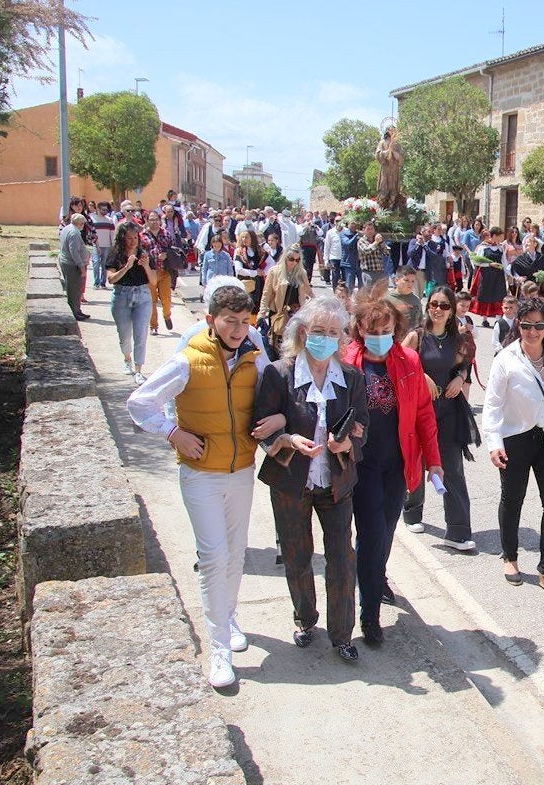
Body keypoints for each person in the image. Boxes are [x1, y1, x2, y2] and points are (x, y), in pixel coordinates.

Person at [127, 284, 277, 689]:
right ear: (210, 320)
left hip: (241, 471)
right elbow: (140, 403)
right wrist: (173, 432)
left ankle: (228, 618)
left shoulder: (254, 358)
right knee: (212, 558)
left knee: (234, 554)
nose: (238, 330)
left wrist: (278, 423)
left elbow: (277, 394)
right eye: (230, 321)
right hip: (200, 476)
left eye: (245, 323)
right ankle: (219, 652)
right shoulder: (187, 360)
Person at [253, 296, 366, 662]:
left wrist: (347, 441)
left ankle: (342, 634)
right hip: (291, 482)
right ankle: (305, 619)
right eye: (319, 331)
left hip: (335, 483)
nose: (326, 338)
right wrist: (286, 437)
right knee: (297, 556)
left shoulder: (351, 378)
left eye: (334, 332)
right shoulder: (278, 373)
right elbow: (259, 428)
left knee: (341, 558)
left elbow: (363, 426)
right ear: (303, 332)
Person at [346, 283, 442, 639]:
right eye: (374, 332)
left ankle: (373, 579)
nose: (381, 337)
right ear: (360, 330)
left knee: (386, 531)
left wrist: (434, 461)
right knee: (371, 533)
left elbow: (423, 414)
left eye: (387, 332)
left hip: (397, 464)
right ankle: (369, 613)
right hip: (361, 464)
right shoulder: (346, 361)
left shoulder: (408, 361)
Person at [483, 297, 544, 600]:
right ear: (518, 325)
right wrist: (494, 443)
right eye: (526, 325)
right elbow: (493, 405)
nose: (533, 331)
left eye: (539, 325)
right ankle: (510, 557)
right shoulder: (505, 359)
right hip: (515, 439)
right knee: (512, 499)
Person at [400, 286, 477, 550]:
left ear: (452, 309)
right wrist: (420, 375)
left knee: (452, 467)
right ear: (427, 306)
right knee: (418, 462)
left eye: (445, 305)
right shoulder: (417, 337)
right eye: (434, 304)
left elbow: (464, 363)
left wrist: (460, 377)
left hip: (448, 411)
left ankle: (458, 531)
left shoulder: (456, 340)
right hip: (419, 411)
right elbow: (397, 362)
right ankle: (411, 512)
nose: (438, 310)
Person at [105, 222, 154, 382]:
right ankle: (127, 359)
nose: (133, 241)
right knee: (124, 334)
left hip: (142, 296)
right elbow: (111, 279)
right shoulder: (115, 254)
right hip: (122, 295)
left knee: (140, 335)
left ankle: (139, 370)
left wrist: (146, 266)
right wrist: (126, 267)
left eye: (135, 238)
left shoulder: (144, 254)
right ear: (122, 238)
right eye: (129, 238)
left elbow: (153, 281)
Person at [260, 244, 314, 353]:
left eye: (297, 260)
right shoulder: (274, 272)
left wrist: (317, 306)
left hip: (296, 312)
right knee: (277, 342)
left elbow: (309, 291)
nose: (294, 262)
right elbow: (267, 293)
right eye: (291, 259)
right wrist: (262, 311)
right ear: (285, 257)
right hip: (278, 312)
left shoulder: (301, 273)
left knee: (295, 342)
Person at [141, 212, 175, 335]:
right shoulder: (142, 235)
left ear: (160, 220)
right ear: (147, 221)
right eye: (151, 219)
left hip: (165, 271)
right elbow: (139, 251)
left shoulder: (166, 234)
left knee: (166, 299)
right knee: (152, 300)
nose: (154, 222)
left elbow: (174, 249)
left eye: (156, 219)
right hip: (150, 272)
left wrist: (167, 254)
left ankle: (167, 316)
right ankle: (153, 326)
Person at [468, 227, 507, 326]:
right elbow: (476, 261)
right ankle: (484, 319)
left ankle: (498, 319)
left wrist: (509, 274)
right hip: (486, 275)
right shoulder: (483, 247)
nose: (501, 239)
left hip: (498, 276)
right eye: (499, 236)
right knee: (486, 295)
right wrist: (489, 264)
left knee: (499, 296)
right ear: (493, 236)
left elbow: (504, 262)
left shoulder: (500, 248)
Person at [58, 214, 91, 320]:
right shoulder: (74, 233)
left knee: (75, 289)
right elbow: (74, 251)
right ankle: (74, 313)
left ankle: (77, 310)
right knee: (74, 290)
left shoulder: (67, 228)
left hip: (68, 262)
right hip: (72, 265)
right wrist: (81, 266)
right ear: (80, 224)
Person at [200, 232, 236, 297]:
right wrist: (204, 281)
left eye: (219, 245)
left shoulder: (226, 255)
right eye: (215, 245)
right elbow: (204, 269)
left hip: (223, 282)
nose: (217, 247)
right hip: (211, 281)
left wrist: (230, 281)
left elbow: (230, 270)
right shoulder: (207, 255)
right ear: (212, 245)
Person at [387, 265, 423, 330]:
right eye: (406, 280)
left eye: (413, 281)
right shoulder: (387, 300)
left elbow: (420, 322)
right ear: (396, 281)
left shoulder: (416, 300)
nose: (410, 284)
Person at [90, 202, 116, 290]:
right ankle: (96, 282)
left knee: (104, 264)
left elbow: (112, 234)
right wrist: (94, 243)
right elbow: (91, 233)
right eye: (103, 209)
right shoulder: (92, 219)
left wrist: (113, 245)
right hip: (95, 245)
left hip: (107, 246)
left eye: (106, 210)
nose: (105, 211)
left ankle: (103, 282)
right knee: (96, 263)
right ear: (98, 209)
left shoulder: (110, 220)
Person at [340, 220, 363, 292]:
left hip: (361, 263)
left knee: (362, 286)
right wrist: (356, 236)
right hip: (349, 263)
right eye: (352, 224)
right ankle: (348, 301)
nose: (354, 225)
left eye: (355, 223)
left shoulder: (361, 234)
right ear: (348, 225)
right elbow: (347, 244)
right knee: (349, 286)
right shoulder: (343, 234)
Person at [323, 216, 344, 289]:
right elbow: (327, 247)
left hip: (344, 258)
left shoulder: (346, 231)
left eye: (340, 221)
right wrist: (326, 260)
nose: (339, 223)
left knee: (344, 278)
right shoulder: (330, 232)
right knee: (335, 277)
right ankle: (335, 293)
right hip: (334, 258)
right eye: (337, 221)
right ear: (334, 222)